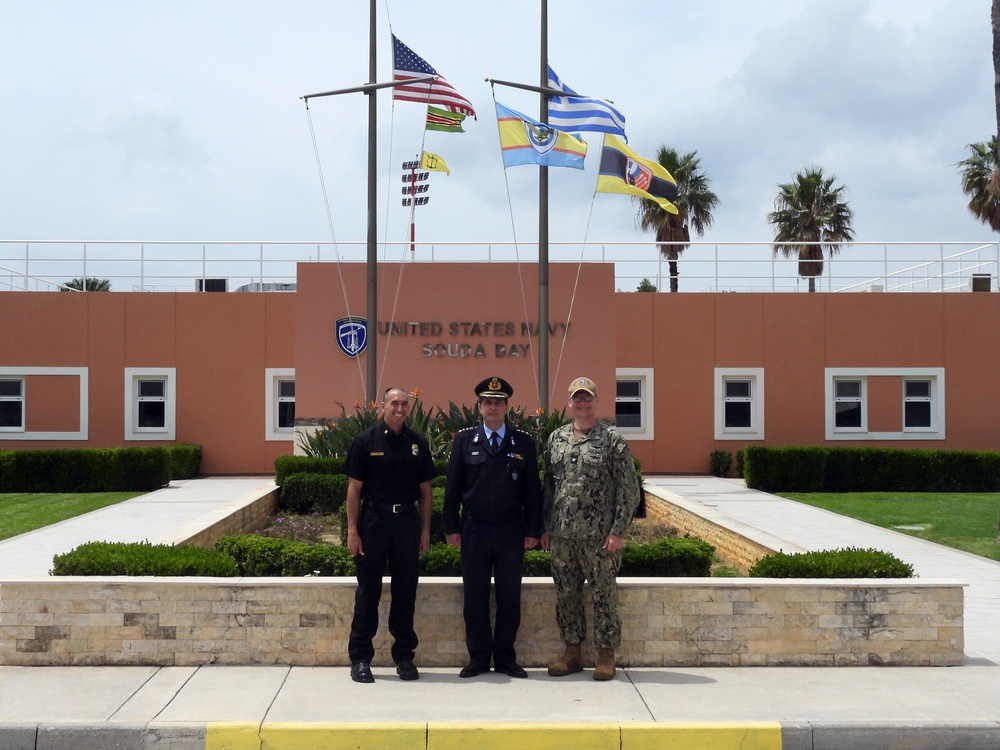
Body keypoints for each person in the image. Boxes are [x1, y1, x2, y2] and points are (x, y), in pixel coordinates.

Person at [541, 376, 642, 681]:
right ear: (569, 403)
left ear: (596, 401)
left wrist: (619, 530)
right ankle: (572, 654)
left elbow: (629, 489)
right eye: (577, 398)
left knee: (603, 595)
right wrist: (545, 526)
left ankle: (606, 656)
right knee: (567, 595)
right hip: (561, 535)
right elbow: (549, 486)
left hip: (599, 537)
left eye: (587, 398)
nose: (582, 403)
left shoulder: (612, 440)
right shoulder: (556, 438)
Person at [443, 376, 542, 678]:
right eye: (488, 402)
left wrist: (533, 530)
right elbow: (452, 488)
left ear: (507, 406)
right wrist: (450, 528)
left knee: (509, 597)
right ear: (480, 407)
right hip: (473, 530)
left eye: (499, 402)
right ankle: (478, 657)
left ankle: (505, 657)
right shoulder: (464, 440)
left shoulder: (523, 442)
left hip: (511, 531)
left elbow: (532, 492)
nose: (493, 407)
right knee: (475, 596)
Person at [344, 386, 434, 684]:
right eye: (394, 402)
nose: (399, 408)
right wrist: (352, 531)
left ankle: (405, 657)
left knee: (405, 591)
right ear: (382, 406)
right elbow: (354, 489)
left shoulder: (418, 444)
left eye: (404, 404)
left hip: (406, 523)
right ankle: (360, 659)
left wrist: (425, 529)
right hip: (373, 522)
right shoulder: (365, 440)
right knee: (368, 591)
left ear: (410, 408)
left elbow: (425, 491)